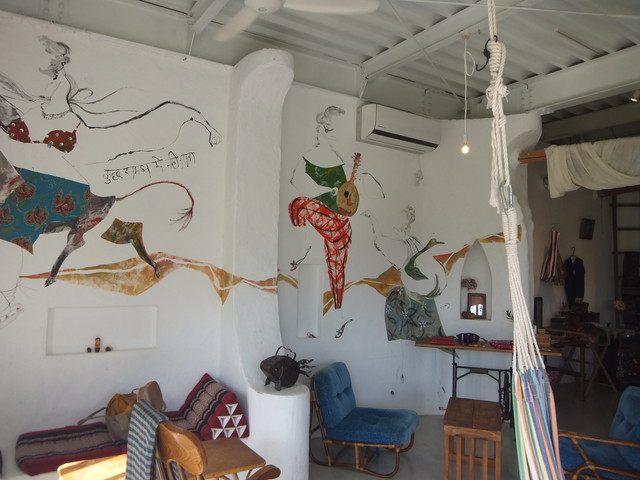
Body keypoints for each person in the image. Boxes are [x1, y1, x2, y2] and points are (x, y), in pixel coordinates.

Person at [288, 106, 354, 309]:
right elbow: (297, 181)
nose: (336, 136)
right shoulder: (309, 157)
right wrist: (326, 190)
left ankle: (338, 306)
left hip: (340, 222)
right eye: (332, 130)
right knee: (298, 205)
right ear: (323, 128)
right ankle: (301, 247)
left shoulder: (342, 161)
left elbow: (349, 197)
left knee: (337, 269)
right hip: (322, 214)